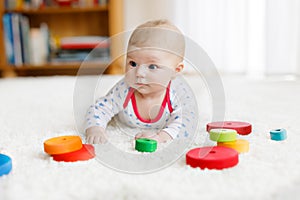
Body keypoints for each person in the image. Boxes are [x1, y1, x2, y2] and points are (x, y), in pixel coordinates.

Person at [85, 19, 196, 144]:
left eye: (152, 66)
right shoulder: (125, 88)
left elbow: (187, 121)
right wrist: (95, 130)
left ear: (175, 70)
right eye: (133, 63)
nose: (139, 73)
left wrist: (161, 137)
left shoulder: (179, 92)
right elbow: (99, 109)